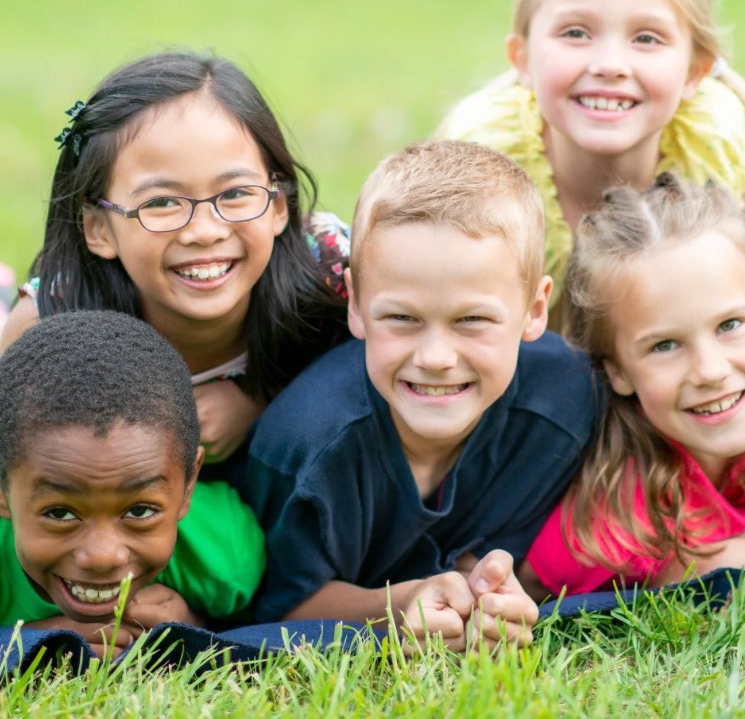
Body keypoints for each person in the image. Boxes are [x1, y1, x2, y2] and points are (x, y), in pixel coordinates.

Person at [243, 140, 600, 648]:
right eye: (402, 318)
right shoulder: (306, 444)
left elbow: (500, 562)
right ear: (357, 306)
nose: (435, 357)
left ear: (535, 309)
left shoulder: (565, 401)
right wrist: (404, 602)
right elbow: (280, 608)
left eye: (471, 319)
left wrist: (492, 594)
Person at [522, 175, 745, 598]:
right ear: (618, 371)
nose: (710, 371)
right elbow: (528, 586)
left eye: (729, 325)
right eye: (664, 345)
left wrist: (725, 561)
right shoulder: (618, 521)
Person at [438, 0, 745, 327]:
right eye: (575, 33)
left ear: (694, 71)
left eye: (646, 38)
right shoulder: (484, 172)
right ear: (524, 59)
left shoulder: (712, 153)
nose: (610, 64)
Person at [1, 52, 350, 463]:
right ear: (98, 228)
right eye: (162, 202)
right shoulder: (51, 324)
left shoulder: (332, 269)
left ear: (277, 205)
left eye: (236, 193)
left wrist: (261, 400)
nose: (205, 231)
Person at [0, 311, 264, 656]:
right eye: (60, 513)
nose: (102, 557)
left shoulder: (224, 555)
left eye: (140, 511)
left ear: (188, 485)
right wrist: (28, 640)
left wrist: (193, 624)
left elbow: (257, 627)